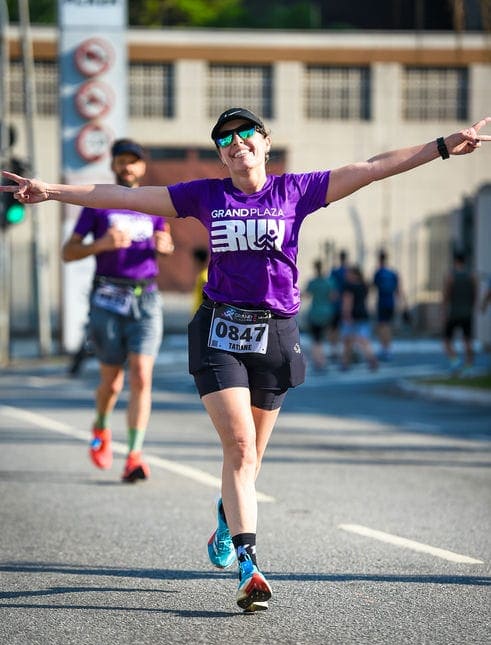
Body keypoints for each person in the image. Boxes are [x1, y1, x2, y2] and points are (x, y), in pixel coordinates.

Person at [2, 110, 489, 612]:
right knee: (238, 446)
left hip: (276, 333)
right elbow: (123, 197)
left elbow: (372, 167)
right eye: (225, 139)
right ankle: (249, 565)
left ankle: (226, 515)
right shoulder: (206, 196)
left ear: (265, 142)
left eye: (245, 133)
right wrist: (50, 190)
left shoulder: (296, 191)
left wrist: (442, 146)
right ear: (221, 155)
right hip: (219, 330)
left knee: (251, 458)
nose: (236, 142)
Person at [61, 138, 175, 482]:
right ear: (113, 165)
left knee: (141, 375)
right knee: (112, 384)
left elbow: (165, 241)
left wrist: (166, 247)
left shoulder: (154, 204)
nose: (127, 166)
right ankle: (100, 426)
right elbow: (68, 252)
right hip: (107, 299)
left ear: (142, 167)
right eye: (121, 160)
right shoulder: (99, 204)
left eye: (133, 161)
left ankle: (134, 456)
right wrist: (102, 244)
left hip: (146, 299)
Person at [442, 252, 478, 374]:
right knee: (468, 340)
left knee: (447, 340)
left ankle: (455, 360)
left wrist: (443, 311)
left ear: (455, 261)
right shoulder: (471, 275)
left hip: (454, 313)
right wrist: (472, 307)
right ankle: (469, 365)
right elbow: (475, 294)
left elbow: (446, 295)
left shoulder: (450, 276)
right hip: (467, 312)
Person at [340, 264, 378, 371]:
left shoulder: (349, 287)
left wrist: (346, 315)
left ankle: (345, 363)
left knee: (347, 340)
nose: (346, 275)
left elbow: (347, 302)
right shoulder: (364, 286)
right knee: (364, 340)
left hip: (352, 315)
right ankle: (371, 359)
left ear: (354, 275)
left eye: (348, 273)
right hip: (363, 314)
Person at [372, 249, 408, 360]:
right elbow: (399, 290)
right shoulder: (393, 273)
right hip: (391, 302)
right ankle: (386, 348)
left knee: (383, 326)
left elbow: (373, 287)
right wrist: (403, 304)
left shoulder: (378, 273)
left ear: (379, 259)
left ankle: (386, 349)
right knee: (386, 326)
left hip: (382, 302)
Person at [304, 259, 338, 370]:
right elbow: (334, 296)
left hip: (315, 313)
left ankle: (319, 361)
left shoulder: (312, 282)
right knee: (323, 338)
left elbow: (306, 295)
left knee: (316, 339)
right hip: (327, 312)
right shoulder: (330, 282)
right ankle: (325, 358)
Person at [328, 249, 348, 360]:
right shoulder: (349, 272)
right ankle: (343, 350)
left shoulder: (334, 272)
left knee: (333, 328)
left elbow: (331, 288)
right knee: (345, 328)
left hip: (336, 305)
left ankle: (334, 349)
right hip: (347, 305)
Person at [191, 246, 209, 315]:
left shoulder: (204, 275)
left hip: (202, 313)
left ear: (197, 260)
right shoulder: (203, 274)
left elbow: (207, 296)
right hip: (199, 312)